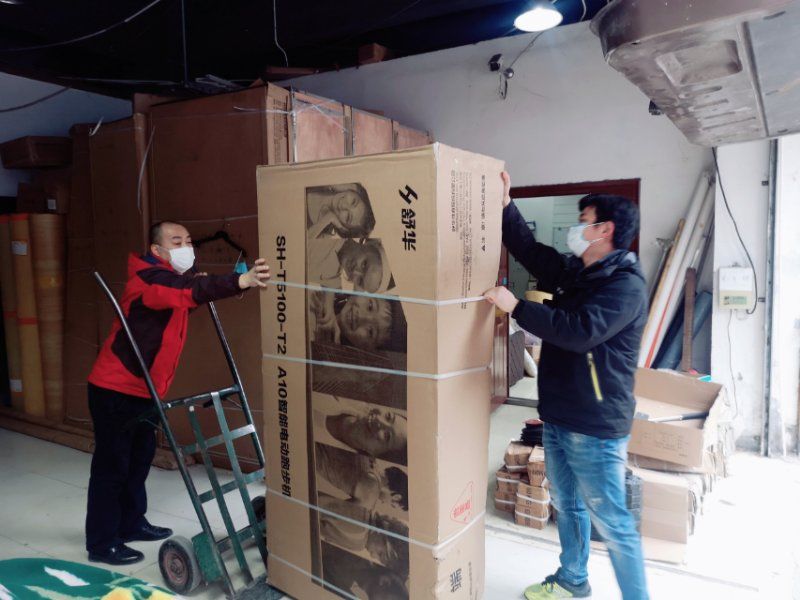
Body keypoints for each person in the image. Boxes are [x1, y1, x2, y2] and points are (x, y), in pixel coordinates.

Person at [484, 172, 649, 600]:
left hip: (595, 424)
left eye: (585, 221)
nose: (578, 229)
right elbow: (529, 250)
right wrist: (506, 205)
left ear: (605, 230)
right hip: (558, 415)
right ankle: (573, 579)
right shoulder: (578, 272)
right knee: (568, 504)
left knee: (613, 522)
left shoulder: (624, 287)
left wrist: (517, 307)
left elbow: (579, 331)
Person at [85, 221, 270, 566]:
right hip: (115, 388)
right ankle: (102, 542)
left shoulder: (170, 279)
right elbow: (183, 292)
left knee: (139, 459)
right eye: (176, 241)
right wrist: (238, 281)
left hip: (145, 389)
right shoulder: (149, 279)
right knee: (113, 467)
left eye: (187, 240)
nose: (186, 247)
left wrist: (216, 286)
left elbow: (187, 293)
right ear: (157, 250)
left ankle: (131, 522)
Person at [315, 443, 409, 510]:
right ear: (396, 497)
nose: (383, 503)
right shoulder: (371, 494)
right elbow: (327, 511)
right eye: (392, 505)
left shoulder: (371, 456)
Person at [325, 406, 408, 465]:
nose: (378, 420)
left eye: (387, 436)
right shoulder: (340, 398)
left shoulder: (329, 460)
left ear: (374, 454)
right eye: (388, 416)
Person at [307, 183, 376, 239]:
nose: (343, 206)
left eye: (348, 217)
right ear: (353, 191)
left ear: (344, 228)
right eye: (353, 202)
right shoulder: (326, 185)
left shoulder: (319, 234)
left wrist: (327, 219)